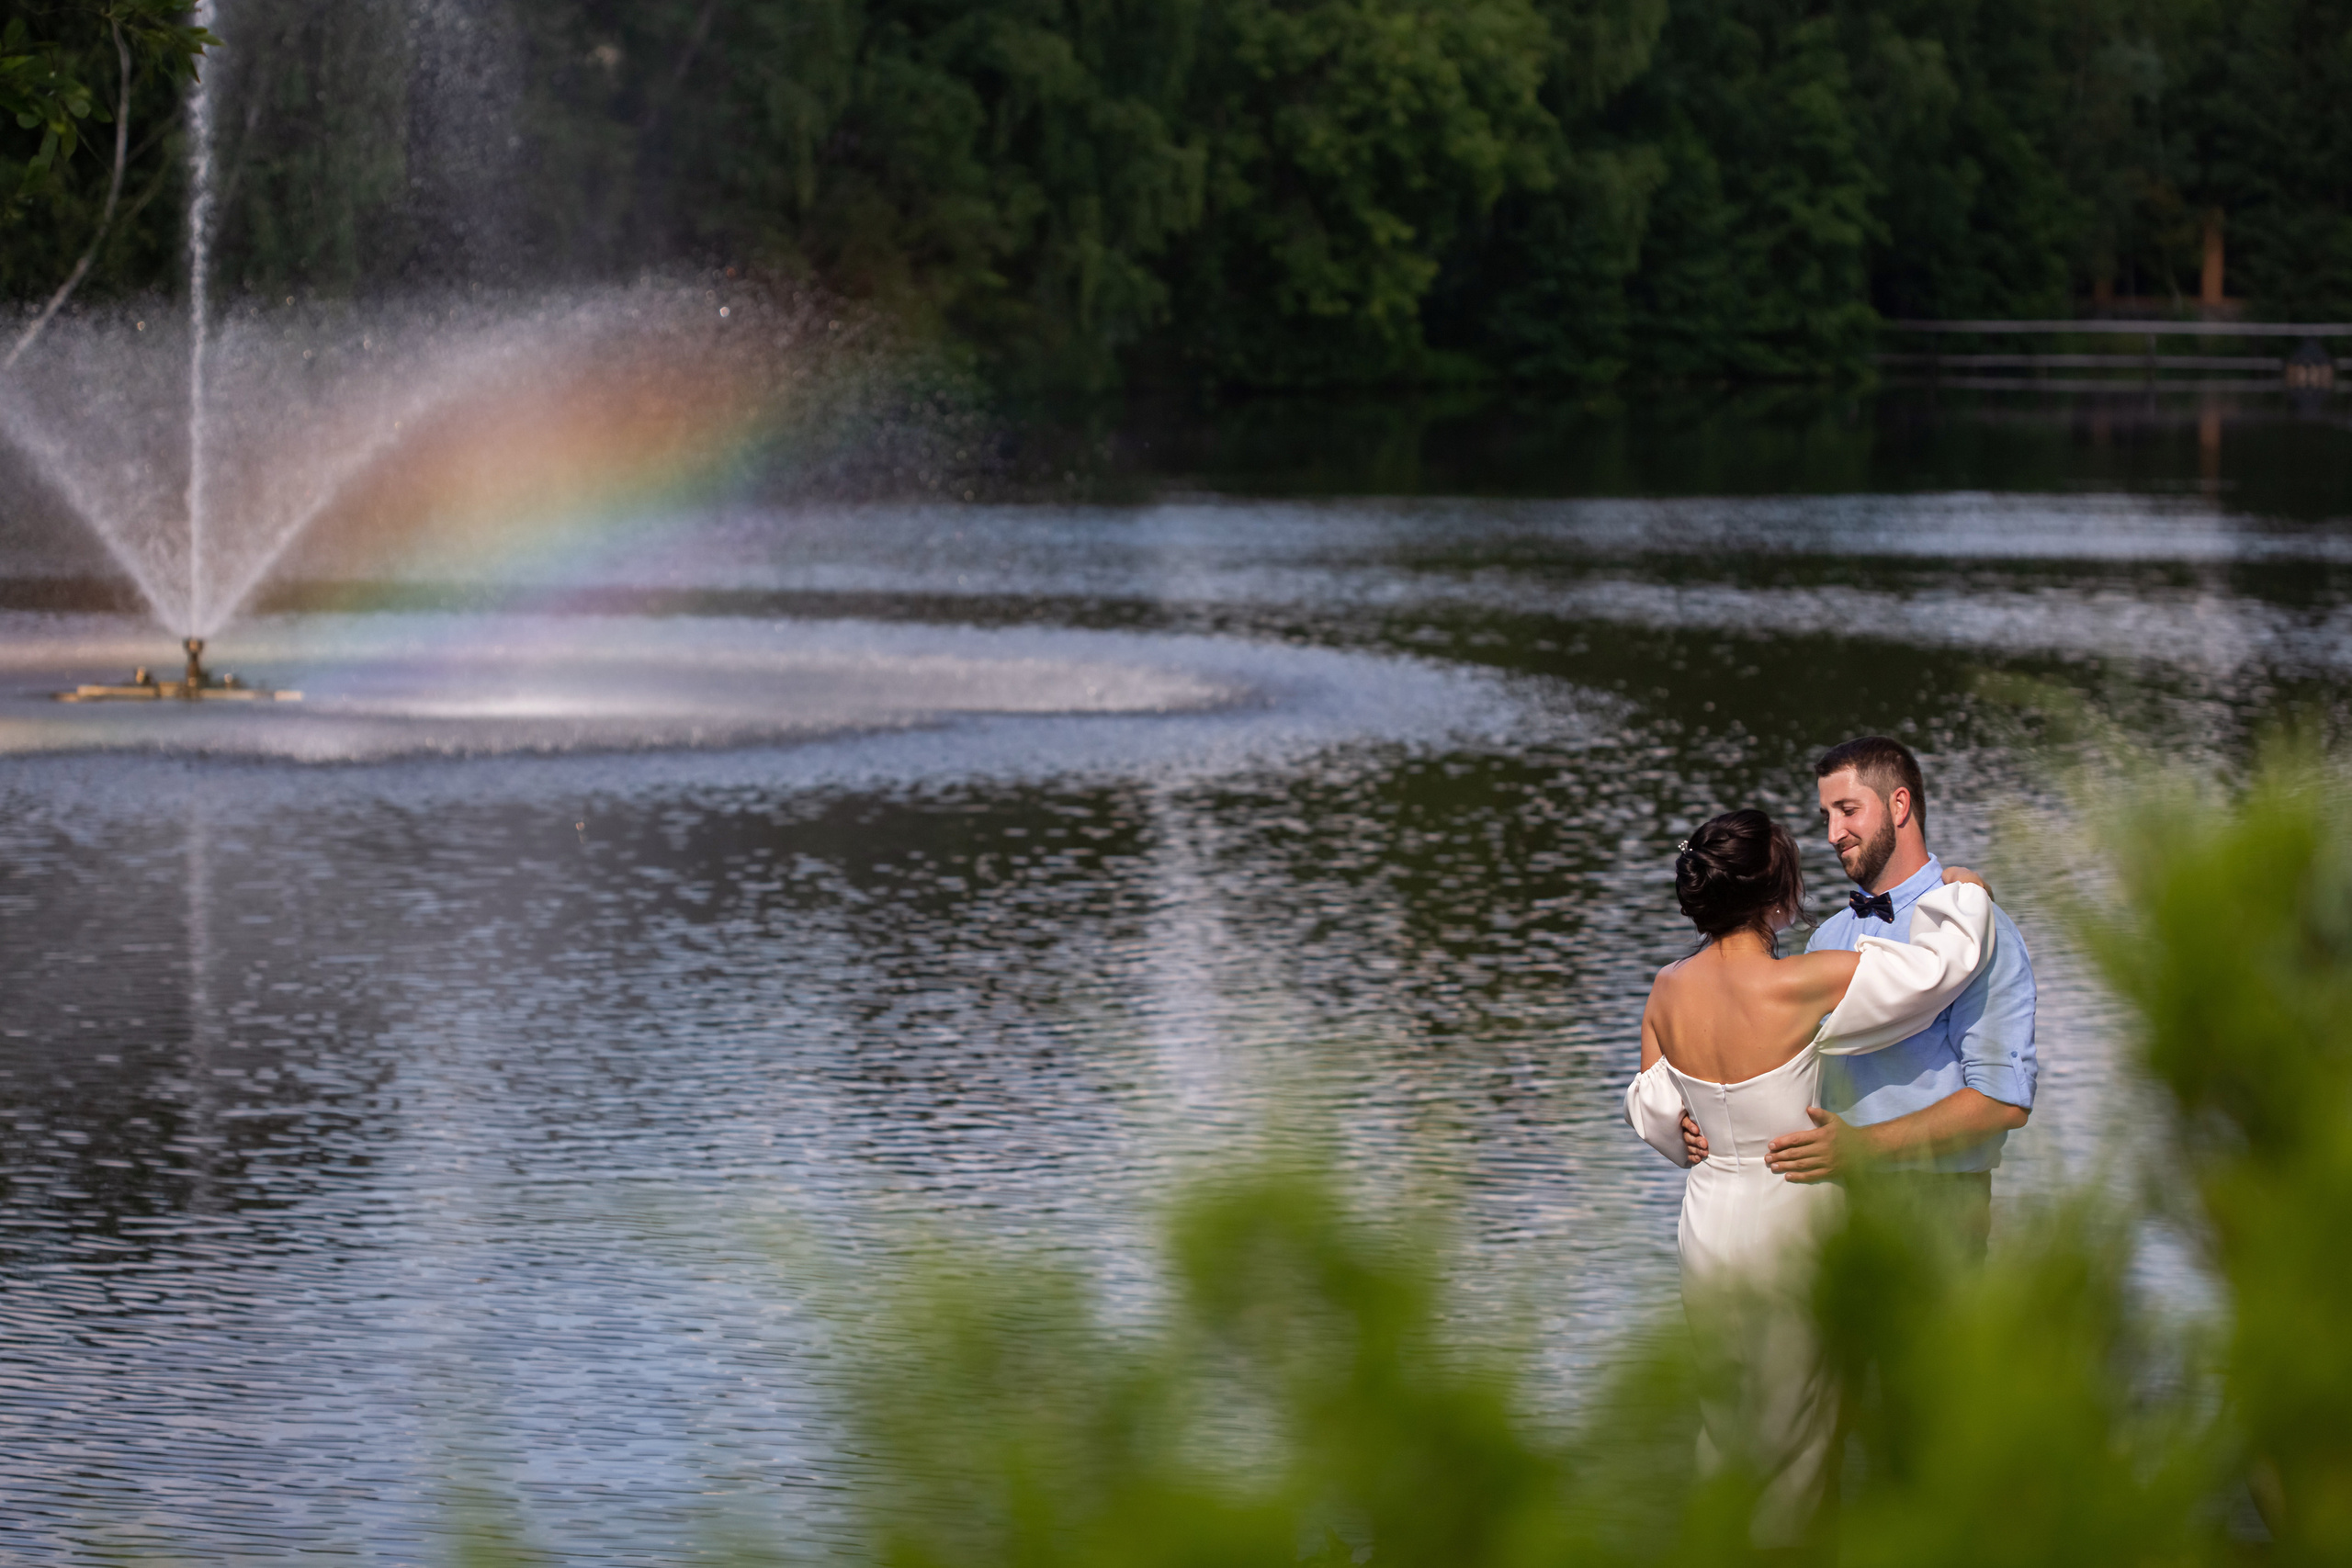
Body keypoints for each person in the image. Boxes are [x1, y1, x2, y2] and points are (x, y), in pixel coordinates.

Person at [1623, 808, 1997, 1547]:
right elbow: (1938, 970)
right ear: (1779, 897)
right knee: (1798, 1430)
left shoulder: (1666, 989)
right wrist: (1964, 891)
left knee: (1726, 1417)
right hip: (1789, 1211)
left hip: (1706, 1222)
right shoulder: (1804, 983)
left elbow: (1652, 1101)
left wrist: (1683, 1130)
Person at [1717, 737, 2038, 1263]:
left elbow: (2004, 1099)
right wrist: (1702, 1109)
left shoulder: (1983, 931)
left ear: (1899, 805)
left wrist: (1863, 1147)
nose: (1832, 834)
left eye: (1847, 810)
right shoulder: (1827, 939)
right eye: (1826, 815)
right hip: (1824, 1206)